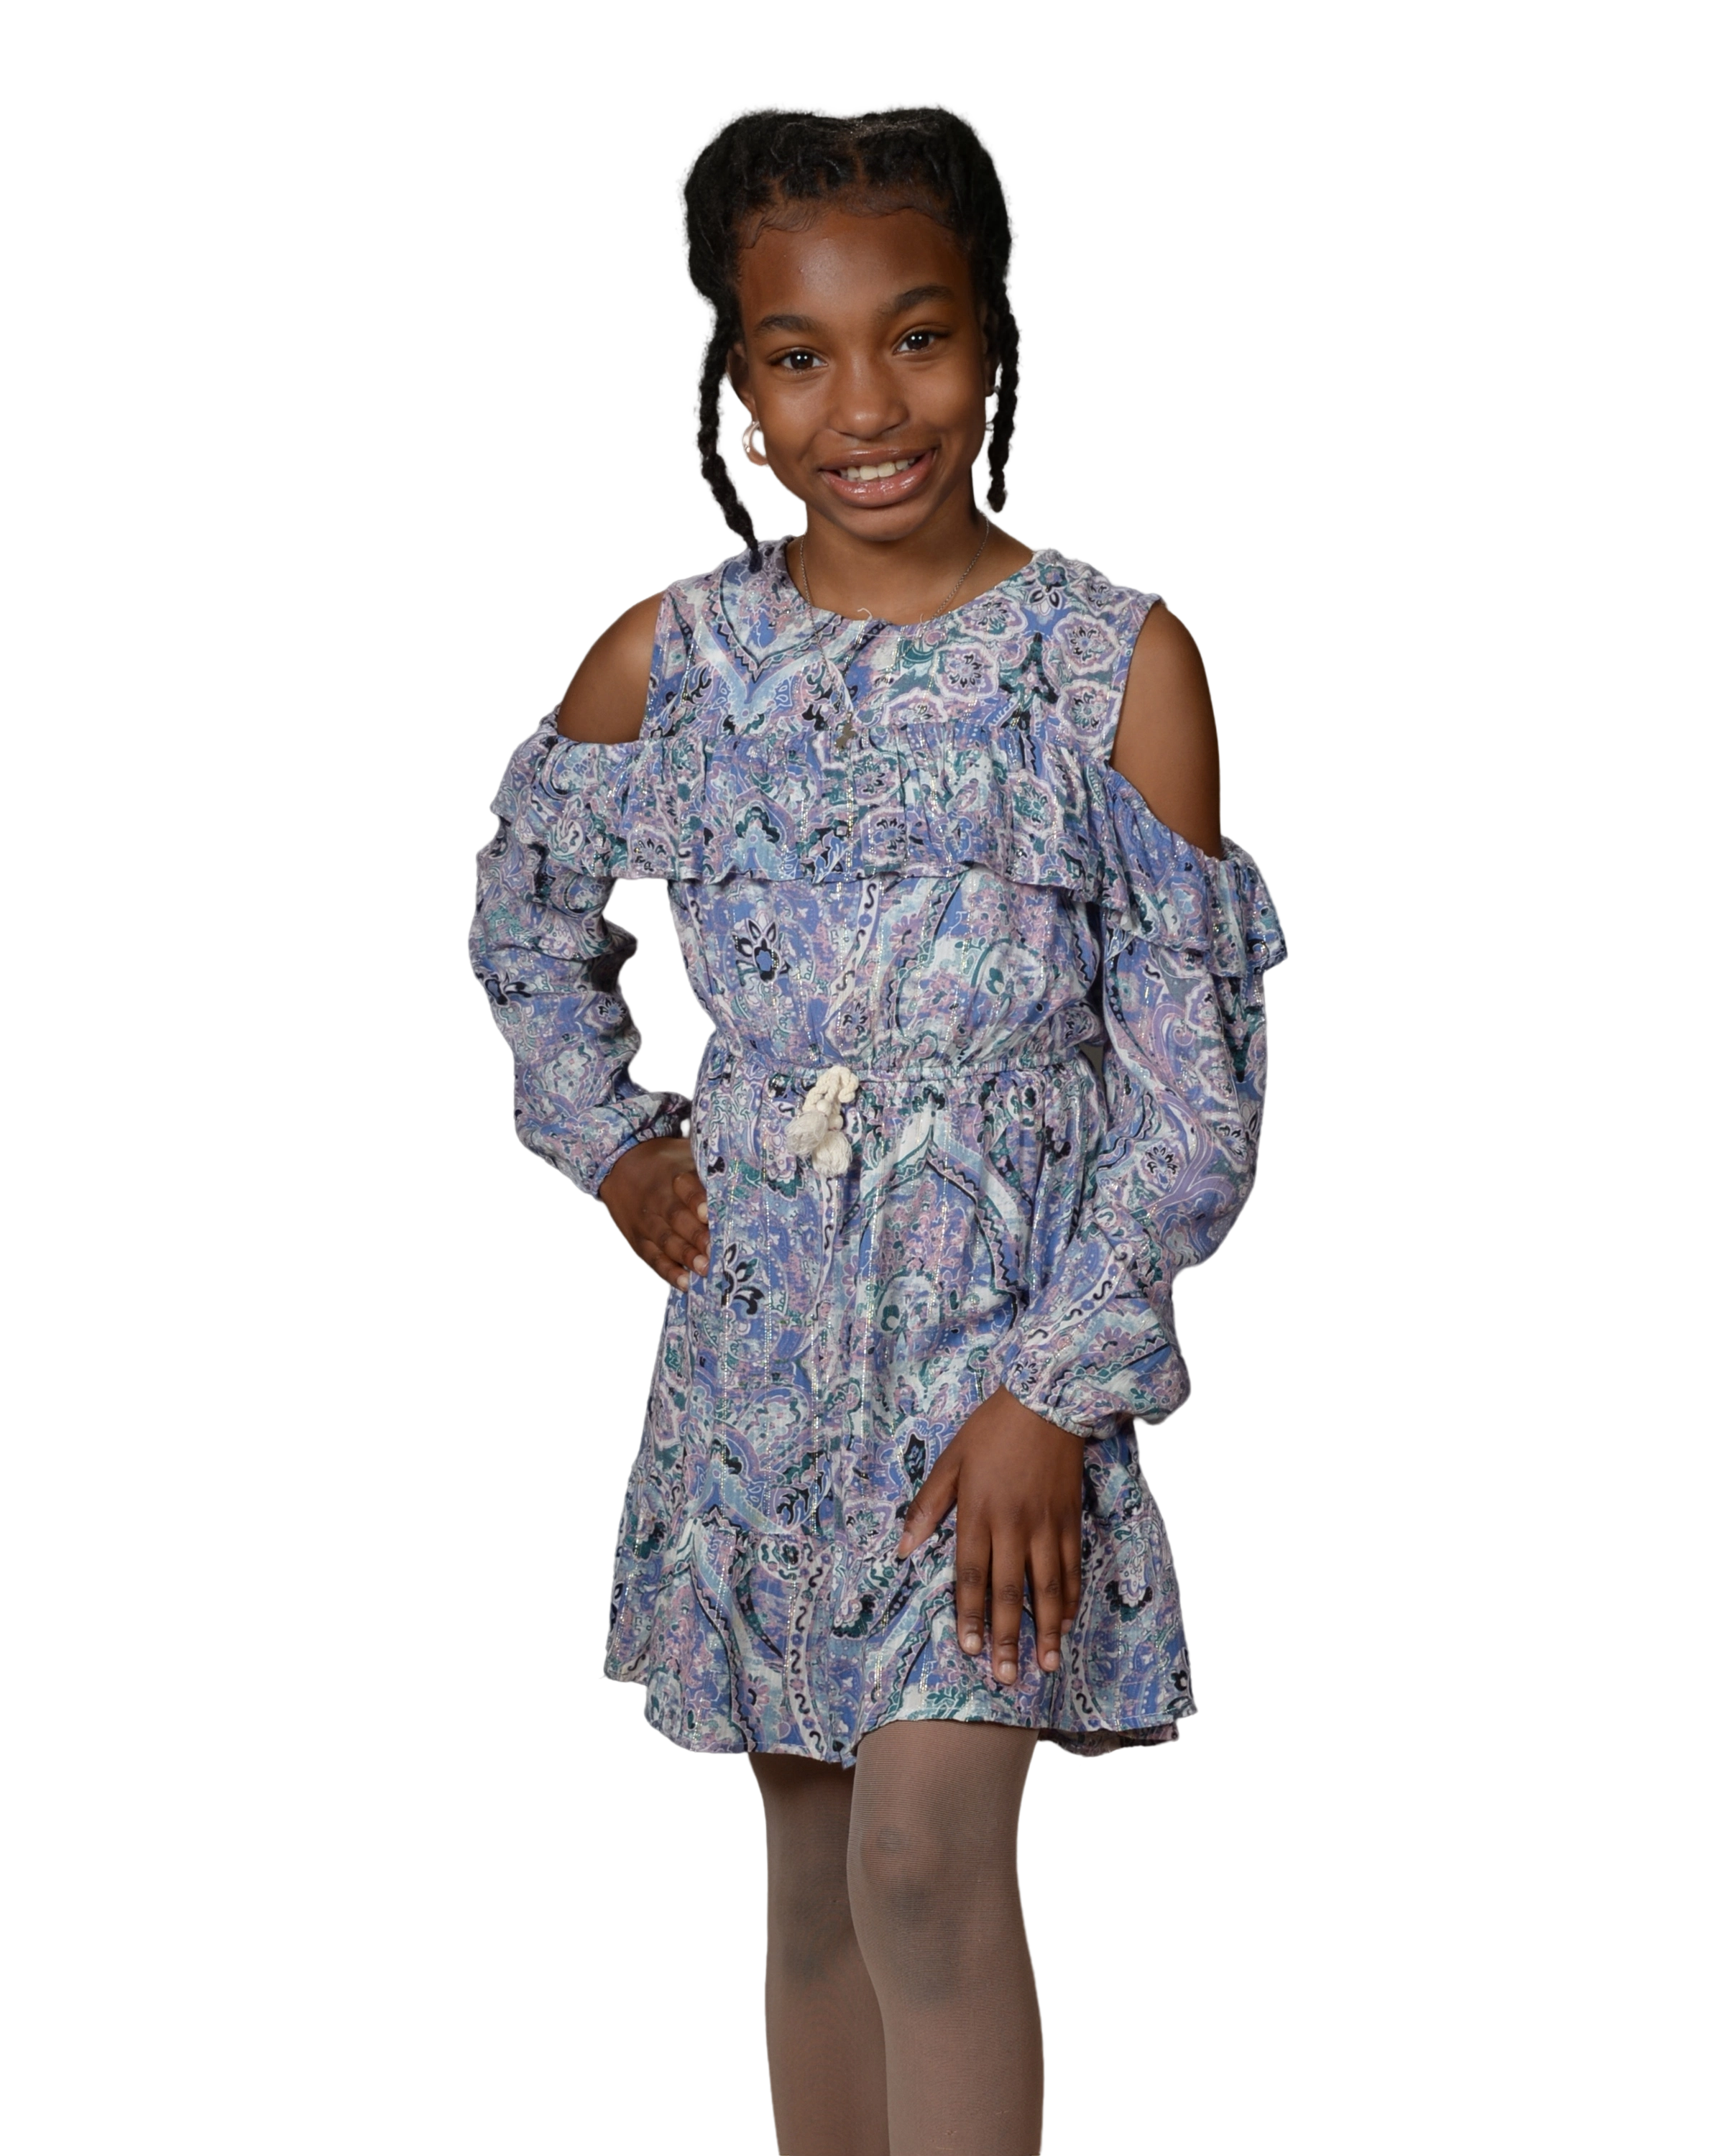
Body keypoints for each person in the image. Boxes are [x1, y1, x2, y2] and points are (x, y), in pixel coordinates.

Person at [467, 98, 1287, 2156]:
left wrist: (1055, 1392)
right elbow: (523, 913)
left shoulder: (1114, 663)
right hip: (763, 1359)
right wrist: (617, 1140)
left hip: (1001, 1368)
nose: (865, 407)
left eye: (916, 336)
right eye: (798, 355)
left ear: (993, 335)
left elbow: (1196, 1091)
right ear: (736, 379)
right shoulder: (679, 659)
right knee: (821, 1869)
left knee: (928, 1860)